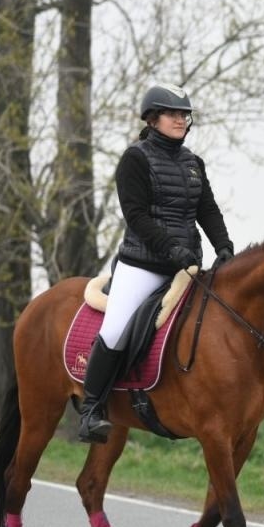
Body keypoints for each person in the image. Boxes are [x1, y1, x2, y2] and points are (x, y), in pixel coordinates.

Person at [75, 85, 235, 443]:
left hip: (186, 265)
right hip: (142, 265)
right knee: (116, 329)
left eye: (185, 115)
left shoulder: (194, 163)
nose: (181, 119)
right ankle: (90, 410)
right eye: (172, 113)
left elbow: (206, 209)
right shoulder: (135, 158)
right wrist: (170, 249)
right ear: (152, 119)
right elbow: (136, 216)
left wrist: (223, 245)